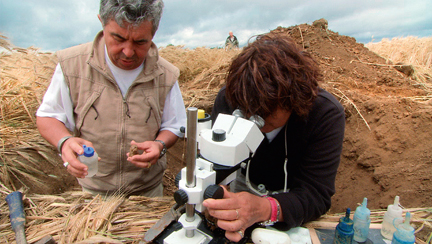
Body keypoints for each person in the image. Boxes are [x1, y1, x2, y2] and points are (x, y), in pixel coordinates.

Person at [36, 0, 186, 197]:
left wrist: (160, 144)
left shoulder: (166, 74)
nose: (128, 51)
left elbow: (174, 125)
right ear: (102, 22)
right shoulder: (72, 65)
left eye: (140, 42)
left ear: (154, 33)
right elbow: (48, 116)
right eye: (118, 38)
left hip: (148, 194)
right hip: (93, 193)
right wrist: (64, 142)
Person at [204, 34, 345, 242]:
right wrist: (217, 195)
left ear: (294, 100)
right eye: (246, 111)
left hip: (292, 209)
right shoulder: (229, 99)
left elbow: (316, 194)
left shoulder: (325, 115)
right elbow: (215, 166)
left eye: (264, 114)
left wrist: (265, 208)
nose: (252, 119)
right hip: (238, 199)